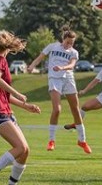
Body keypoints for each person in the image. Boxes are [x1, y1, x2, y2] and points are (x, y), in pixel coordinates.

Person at [0, 31, 41, 185]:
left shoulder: (0, 59)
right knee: (20, 147)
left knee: (25, 150)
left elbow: (4, 96)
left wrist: (26, 106)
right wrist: (18, 93)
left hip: (2, 110)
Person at [27, 25, 91, 154]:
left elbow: (72, 64)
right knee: (57, 109)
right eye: (68, 42)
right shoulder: (52, 46)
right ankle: (51, 140)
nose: (69, 45)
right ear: (63, 39)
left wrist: (62, 68)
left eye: (72, 43)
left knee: (75, 110)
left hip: (68, 79)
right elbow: (40, 57)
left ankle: (82, 140)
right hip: (54, 79)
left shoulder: (74, 52)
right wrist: (32, 66)